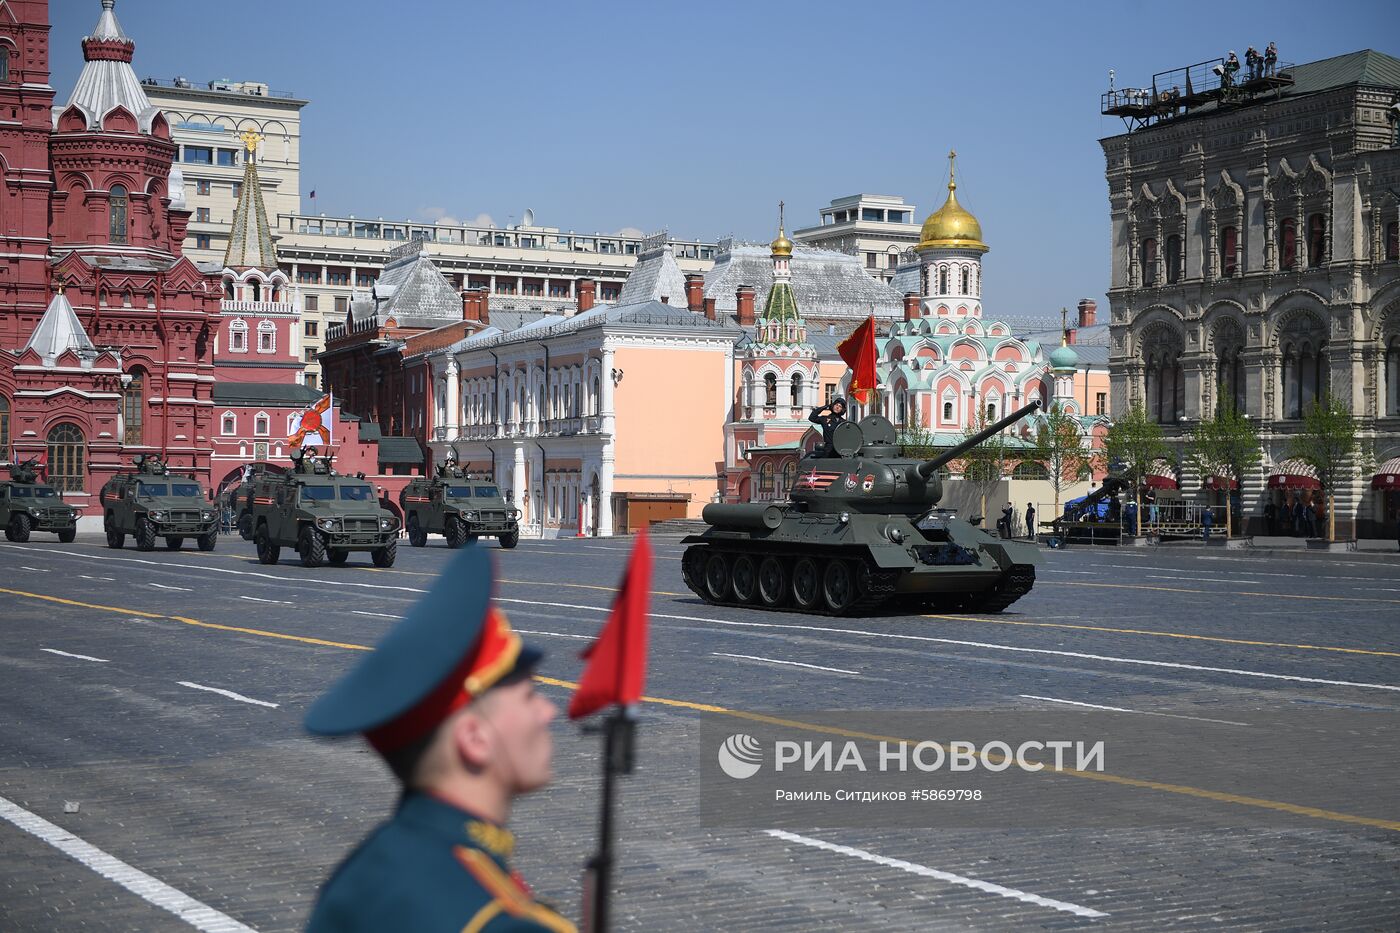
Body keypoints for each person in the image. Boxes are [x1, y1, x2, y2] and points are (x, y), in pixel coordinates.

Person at [304, 547, 573, 932]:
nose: (549, 712)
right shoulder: (501, 921)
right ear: (475, 739)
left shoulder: (358, 878)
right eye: (529, 697)